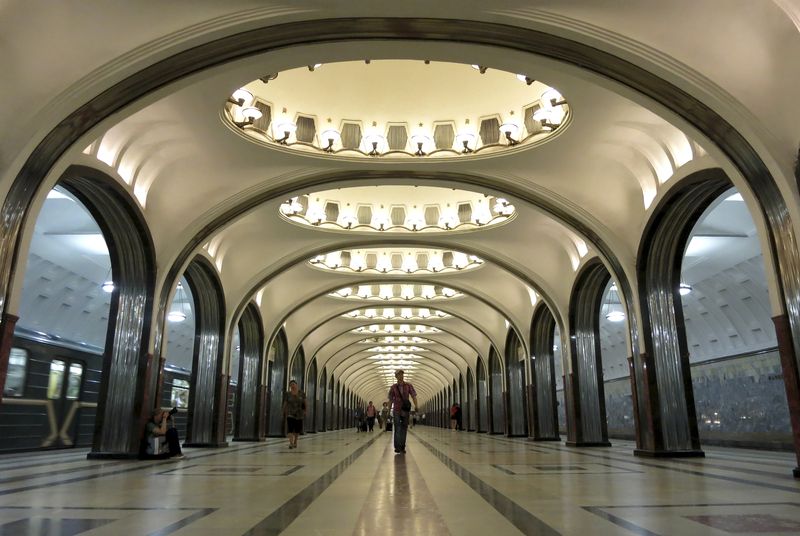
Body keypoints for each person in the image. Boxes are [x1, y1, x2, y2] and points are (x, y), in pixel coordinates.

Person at [388, 369, 418, 454]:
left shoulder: (408, 385)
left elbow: (413, 396)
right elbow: (390, 399)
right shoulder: (393, 387)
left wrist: (416, 405)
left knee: (404, 428)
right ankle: (397, 447)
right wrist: (388, 411)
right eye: (399, 374)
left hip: (405, 410)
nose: (401, 376)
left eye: (402, 374)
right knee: (397, 428)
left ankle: (402, 447)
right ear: (396, 376)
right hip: (396, 409)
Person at [282, 379, 306, 449]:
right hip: (290, 413)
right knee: (290, 428)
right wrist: (283, 410)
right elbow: (285, 403)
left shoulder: (302, 393)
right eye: (291, 385)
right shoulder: (288, 394)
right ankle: (291, 443)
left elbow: (305, 402)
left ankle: (295, 441)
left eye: (293, 384)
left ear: (296, 385)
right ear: (289, 386)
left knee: (297, 429)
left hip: (299, 414)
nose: (292, 386)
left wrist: (305, 411)